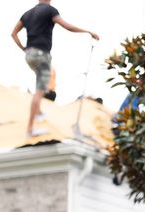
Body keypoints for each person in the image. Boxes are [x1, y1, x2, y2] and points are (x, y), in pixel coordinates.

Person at [11, 0, 99, 137]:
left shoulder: (27, 14)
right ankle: (30, 129)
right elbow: (67, 26)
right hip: (42, 55)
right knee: (39, 92)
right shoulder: (50, 10)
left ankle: (39, 113)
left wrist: (24, 48)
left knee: (39, 83)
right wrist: (88, 32)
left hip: (30, 55)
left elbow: (13, 33)